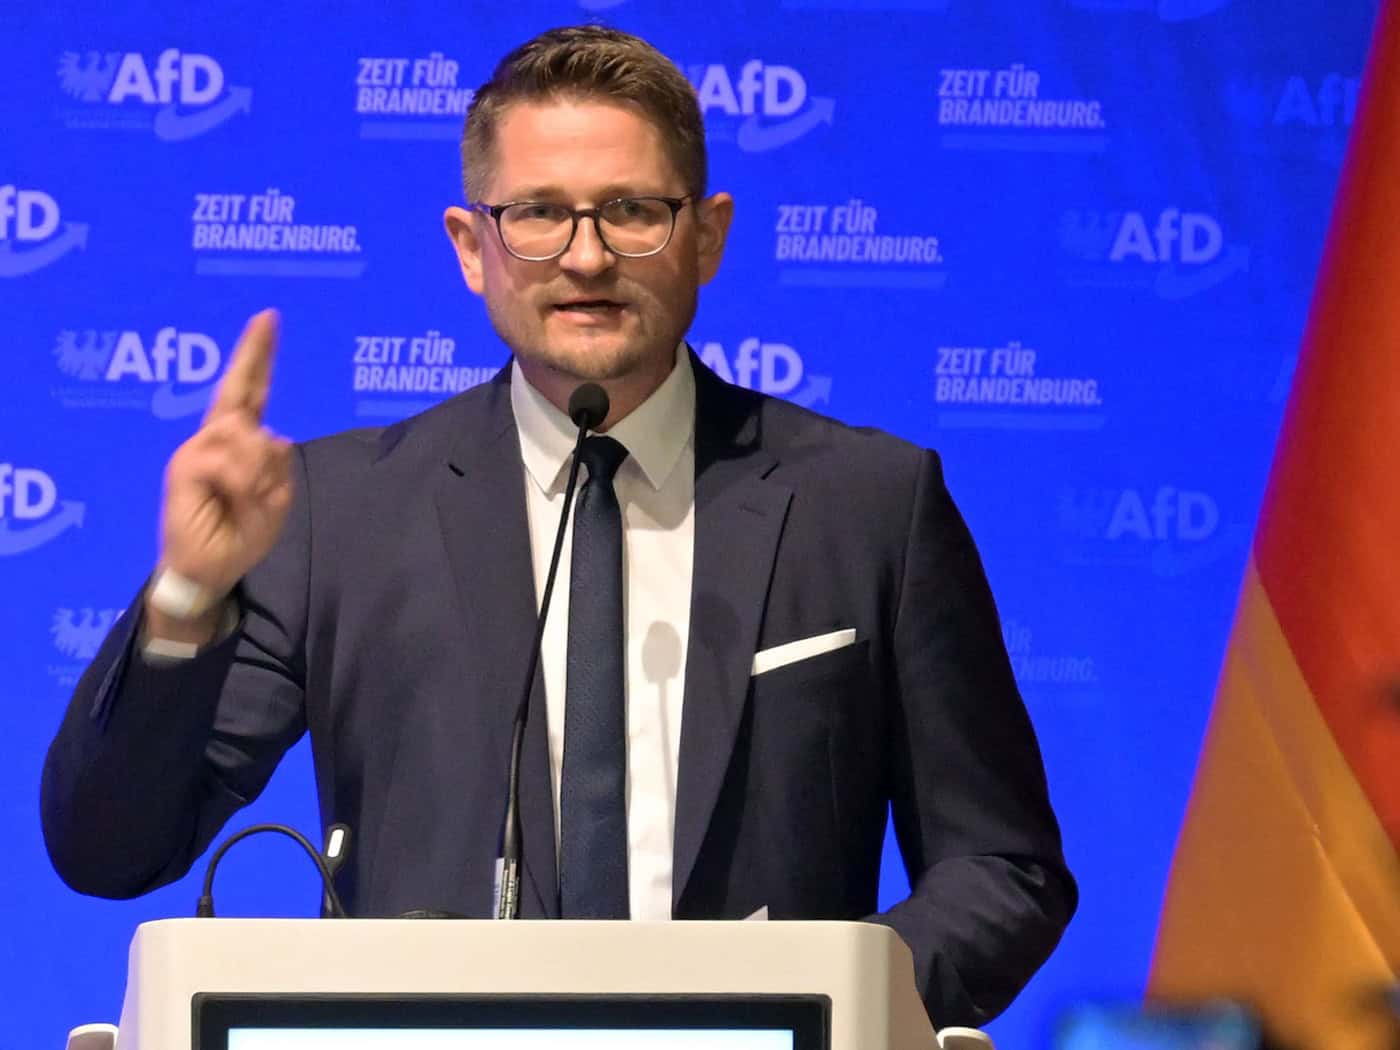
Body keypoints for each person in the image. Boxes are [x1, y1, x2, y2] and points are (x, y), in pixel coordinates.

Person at [41, 25, 1075, 1029]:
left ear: (706, 234)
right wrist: (186, 596)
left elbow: (1001, 867)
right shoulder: (340, 512)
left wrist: (840, 1010)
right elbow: (109, 848)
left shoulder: (867, 502)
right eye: (537, 214)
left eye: (630, 211)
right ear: (471, 247)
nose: (584, 257)